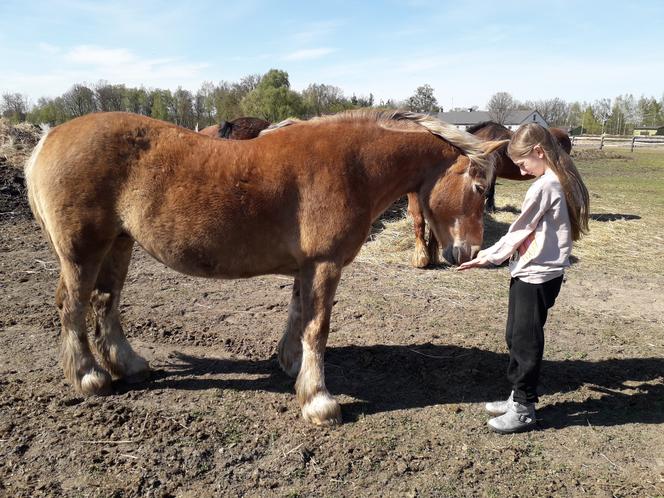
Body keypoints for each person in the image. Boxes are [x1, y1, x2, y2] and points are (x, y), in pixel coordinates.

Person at [457, 123, 590, 434]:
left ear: (539, 152)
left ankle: (524, 408)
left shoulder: (545, 186)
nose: (521, 170)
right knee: (515, 336)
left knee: (525, 342)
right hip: (531, 272)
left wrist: (486, 257)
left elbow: (519, 230)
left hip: (536, 276)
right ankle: (516, 396)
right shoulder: (555, 180)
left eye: (521, 163)